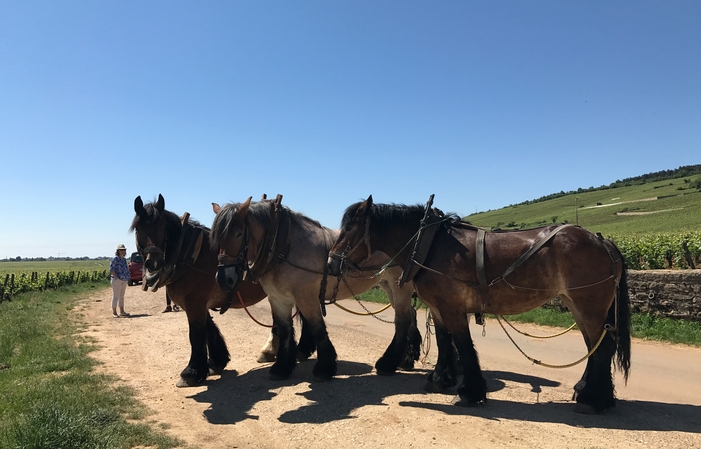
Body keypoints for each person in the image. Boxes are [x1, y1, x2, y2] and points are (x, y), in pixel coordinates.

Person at [109, 244, 131, 318]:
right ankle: (114, 312)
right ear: (118, 251)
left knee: (122, 296)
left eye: (124, 250)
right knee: (116, 296)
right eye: (121, 250)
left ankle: (122, 311)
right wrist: (116, 278)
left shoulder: (124, 259)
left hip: (124, 279)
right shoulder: (115, 259)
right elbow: (111, 269)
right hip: (117, 280)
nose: (123, 251)